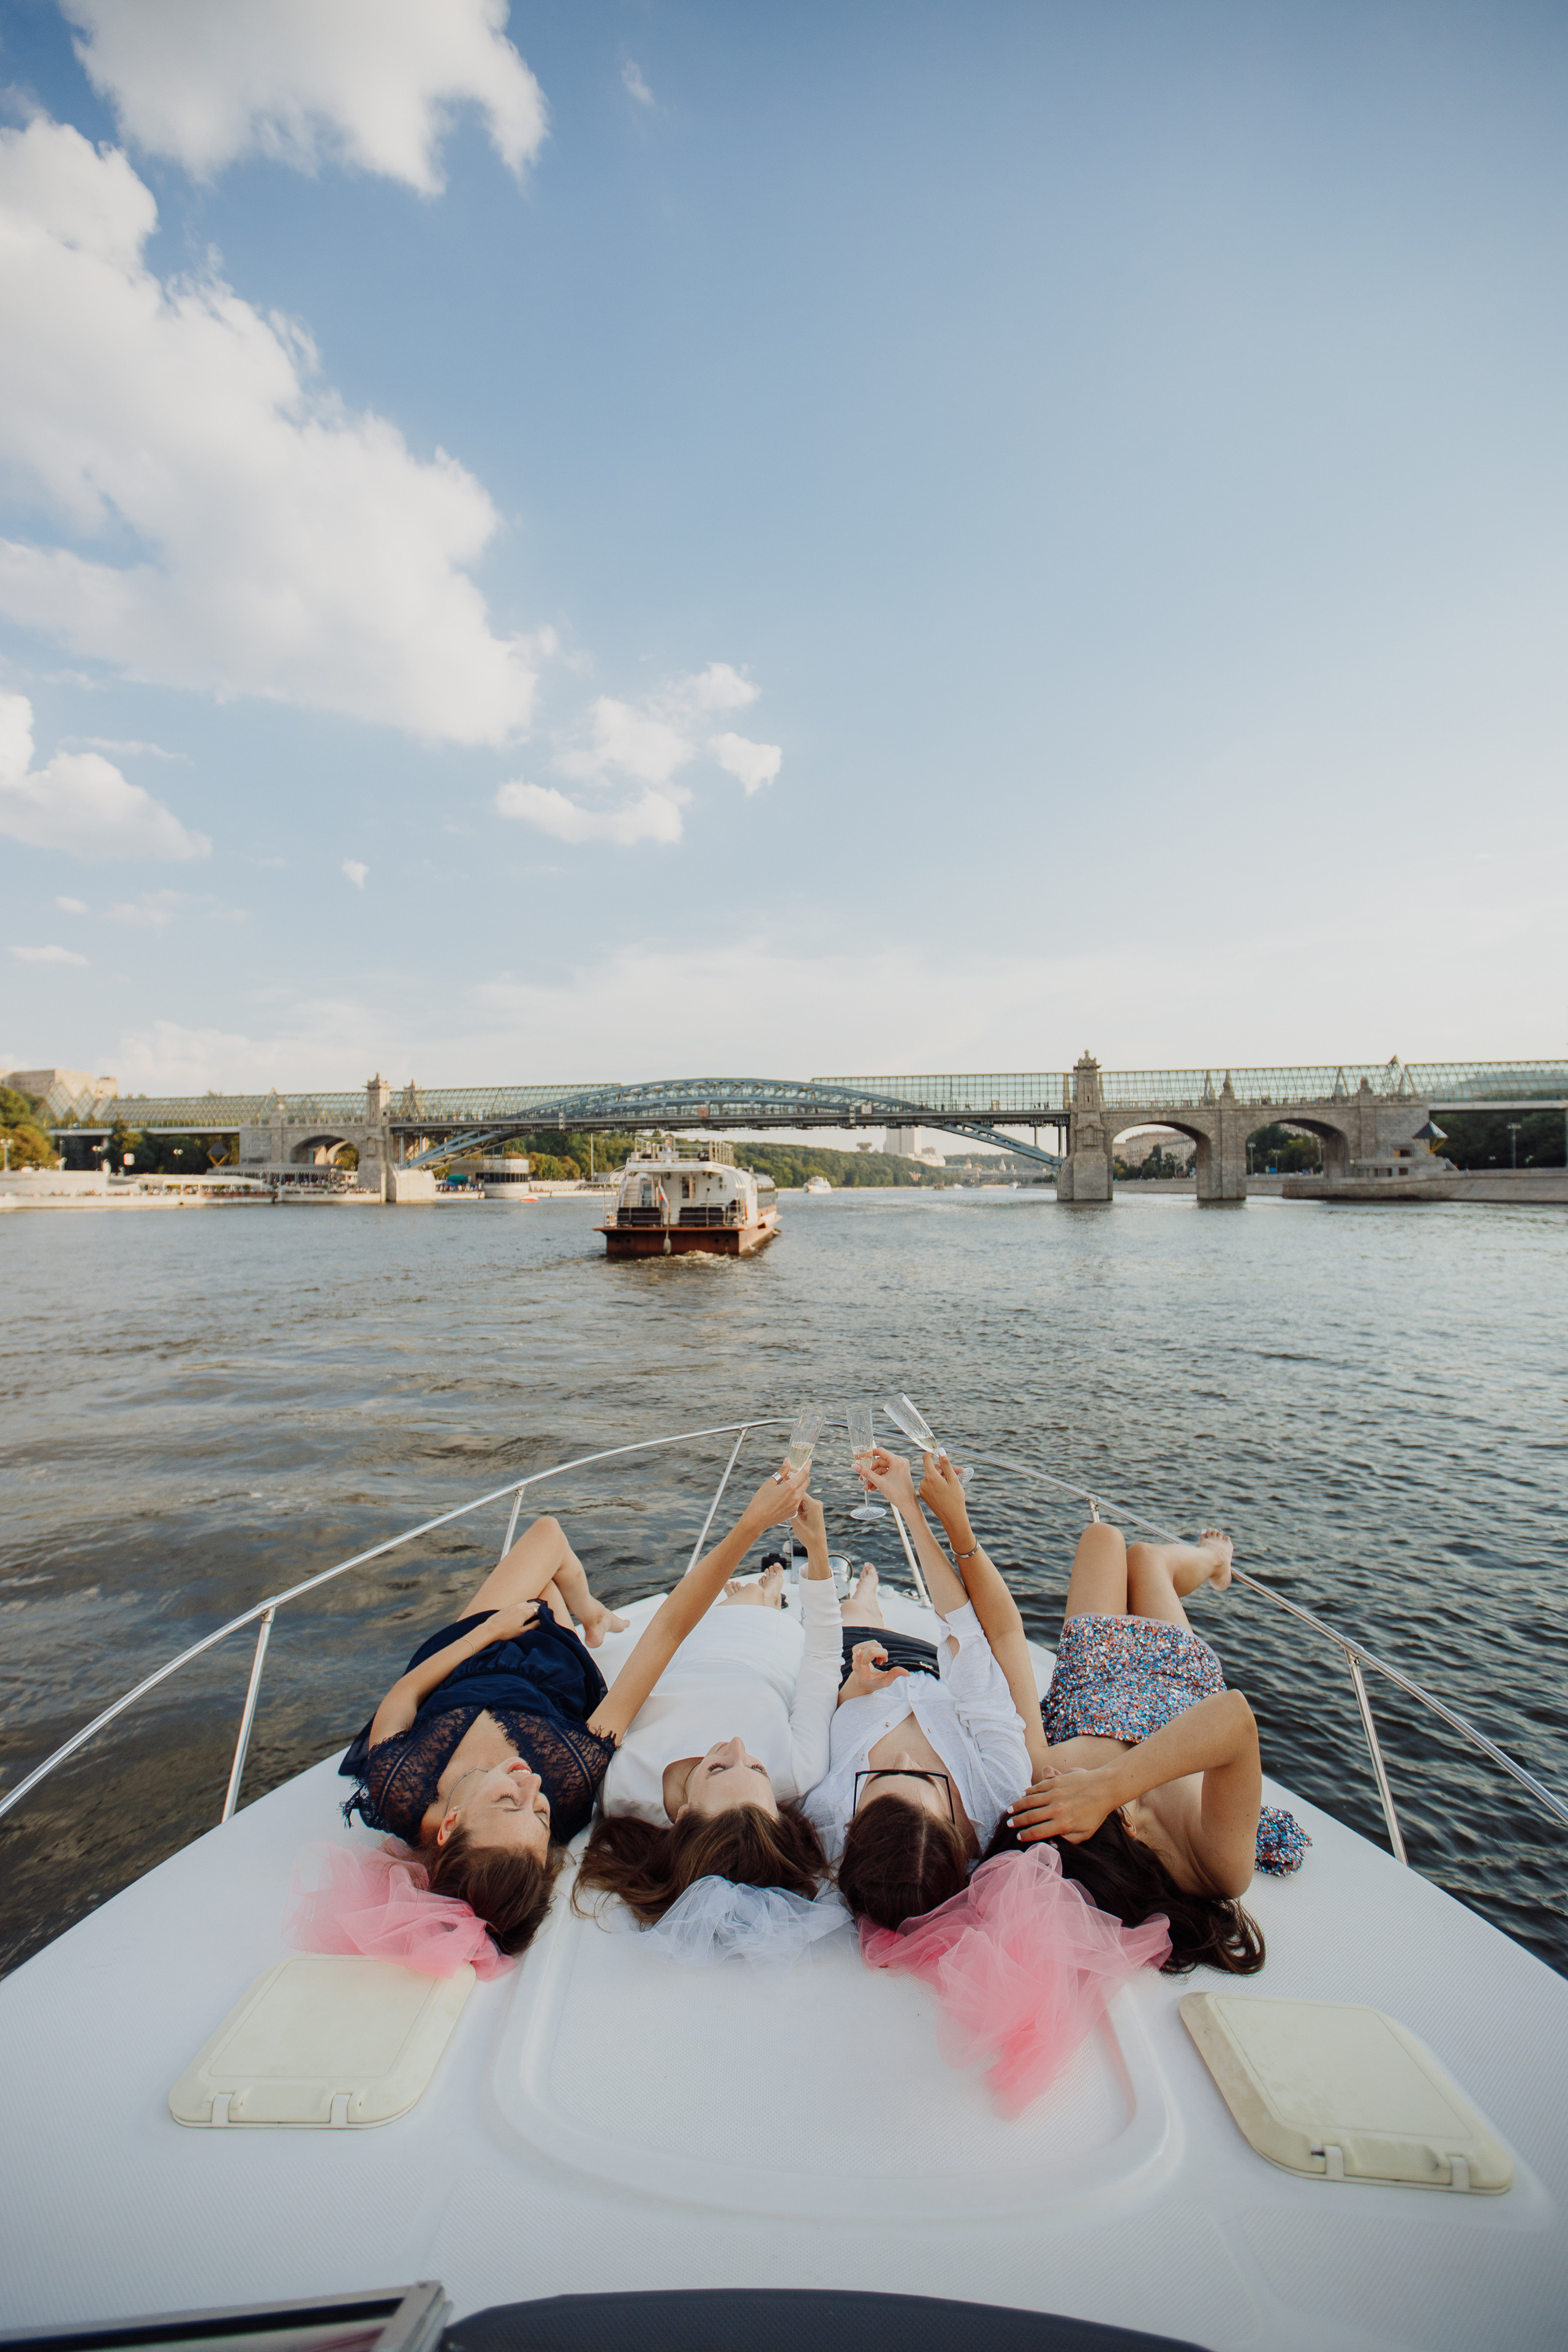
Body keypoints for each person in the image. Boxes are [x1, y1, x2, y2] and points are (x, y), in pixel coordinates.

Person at [959, 1497, 1306, 1975]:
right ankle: (1216, 1561)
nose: (1074, 1780)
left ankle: (1201, 1559)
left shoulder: (1054, 1793)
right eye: (1096, 1798)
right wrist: (1107, 1786)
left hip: (1097, 1683)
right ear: (1128, 1826)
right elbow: (1235, 1720)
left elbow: (1005, 1638)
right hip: (1173, 1688)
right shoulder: (1218, 1867)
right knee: (1146, 1560)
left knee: (1102, 1539)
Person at [339, 1513, 629, 1954]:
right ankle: (590, 1615)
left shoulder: (401, 1789)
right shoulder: (566, 1787)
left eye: (508, 1800)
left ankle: (591, 1613)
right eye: (540, 1814)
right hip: (553, 1671)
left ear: (450, 1824)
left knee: (546, 1538)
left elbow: (406, 1692)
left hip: (463, 1661)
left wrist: (489, 1631)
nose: (530, 1784)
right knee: (545, 1565)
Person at [574, 1460, 841, 1926]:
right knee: (761, 1605)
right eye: (758, 1768)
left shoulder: (621, 1784)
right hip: (771, 1641)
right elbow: (821, 1661)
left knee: (738, 1601)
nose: (738, 1745)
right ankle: (772, 1594)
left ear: (682, 1818)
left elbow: (670, 1631)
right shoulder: (798, 1773)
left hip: (693, 1639)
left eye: (717, 1768)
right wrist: (817, 1550)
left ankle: (765, 1590)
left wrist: (753, 1521)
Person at [802, 1450, 1032, 1932]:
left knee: (855, 1619)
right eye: (925, 1779)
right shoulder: (999, 1791)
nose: (906, 1762)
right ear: (953, 1832)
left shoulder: (826, 1814)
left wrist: (855, 1687)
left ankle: (863, 1599)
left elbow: (826, 1716)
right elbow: (965, 1637)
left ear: (851, 1827)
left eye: (885, 1775)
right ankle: (867, 1596)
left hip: (857, 1666)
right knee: (878, 1616)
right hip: (930, 1661)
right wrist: (910, 1506)